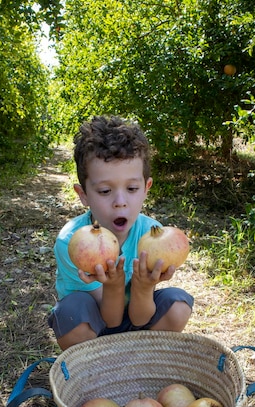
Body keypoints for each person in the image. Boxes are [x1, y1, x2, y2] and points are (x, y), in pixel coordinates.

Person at [48, 115, 194, 350]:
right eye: (105, 191)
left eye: (132, 188)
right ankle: (92, 364)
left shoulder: (151, 236)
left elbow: (140, 318)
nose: (120, 202)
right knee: (70, 314)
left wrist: (145, 286)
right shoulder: (71, 242)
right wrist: (114, 285)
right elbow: (111, 320)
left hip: (138, 318)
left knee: (178, 305)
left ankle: (138, 357)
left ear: (146, 188)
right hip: (96, 323)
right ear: (83, 194)